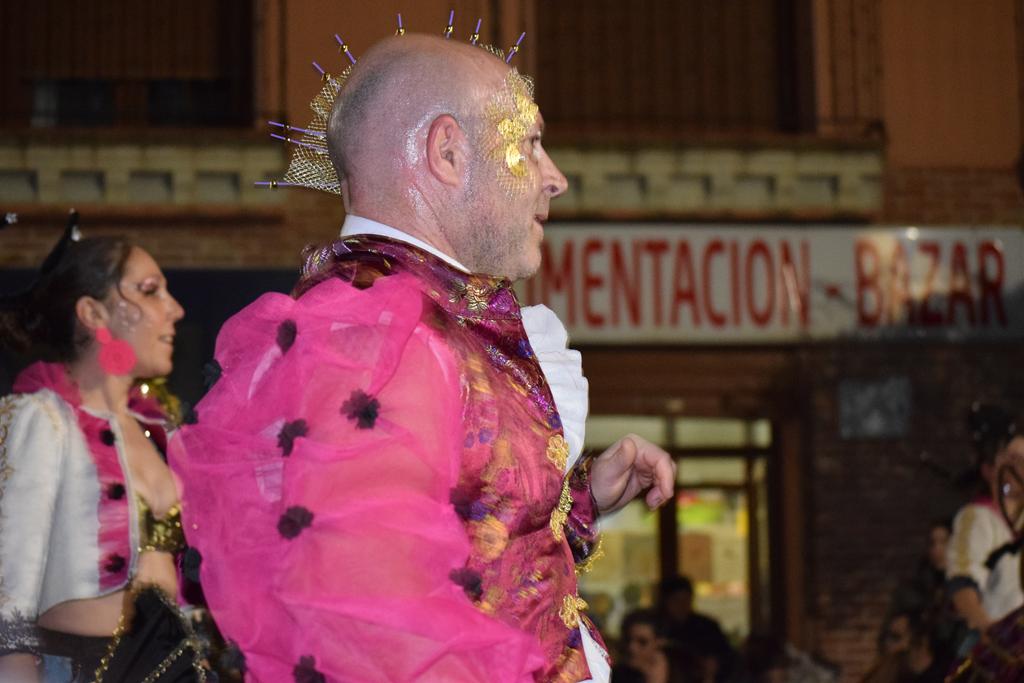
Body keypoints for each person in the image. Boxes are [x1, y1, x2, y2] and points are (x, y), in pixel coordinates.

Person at [170, 31, 675, 683]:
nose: (555, 177)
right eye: (529, 144)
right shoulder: (377, 332)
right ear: (447, 152)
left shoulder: (424, 315)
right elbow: (371, 631)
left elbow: (469, 559)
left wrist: (575, 502)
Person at [0, 219, 201, 682]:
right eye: (150, 291)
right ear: (92, 313)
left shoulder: (160, 431)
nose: (175, 309)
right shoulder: (42, 418)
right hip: (81, 669)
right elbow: (10, 578)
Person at [945, 404, 1023, 645]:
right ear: (991, 470)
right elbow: (962, 583)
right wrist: (988, 629)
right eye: (1015, 460)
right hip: (1000, 649)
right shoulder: (979, 518)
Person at [657, 576, 737, 683]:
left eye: (686, 600)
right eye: (676, 600)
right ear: (665, 601)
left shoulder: (707, 627)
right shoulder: (656, 628)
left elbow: (727, 659)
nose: (682, 605)